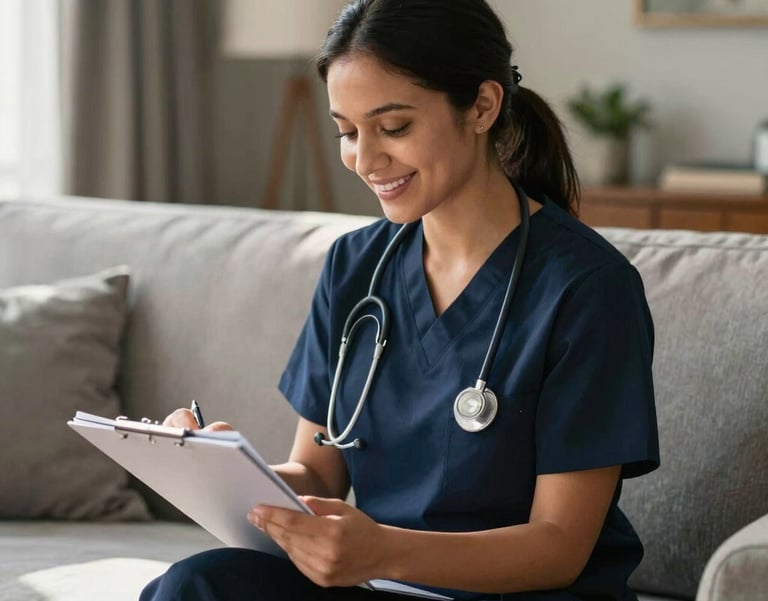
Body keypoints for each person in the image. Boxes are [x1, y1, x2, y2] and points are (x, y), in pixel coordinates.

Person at [140, 1, 659, 599]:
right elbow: (317, 474)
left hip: (523, 592)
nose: (365, 159)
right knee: (197, 585)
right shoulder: (355, 266)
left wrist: (384, 550)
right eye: (347, 131)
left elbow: (559, 546)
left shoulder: (586, 286)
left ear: (483, 107)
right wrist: (224, 471)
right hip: (384, 582)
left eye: (394, 128)